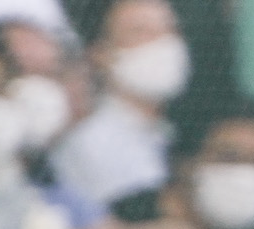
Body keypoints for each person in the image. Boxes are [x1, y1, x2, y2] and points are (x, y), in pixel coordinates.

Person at [50, 0, 190, 215]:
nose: (164, 43)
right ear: (100, 54)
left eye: (171, 29)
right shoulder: (93, 140)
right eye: (141, 32)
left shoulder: (162, 133)